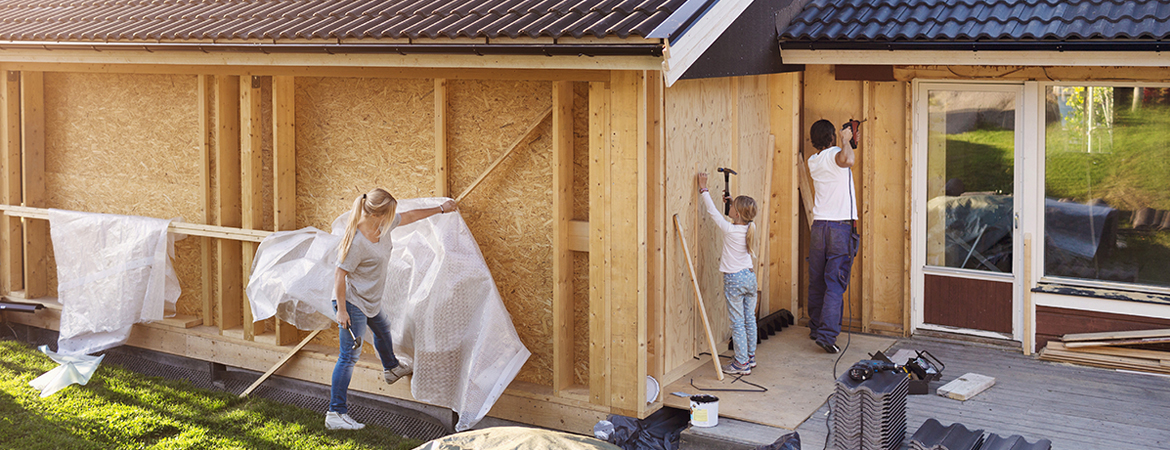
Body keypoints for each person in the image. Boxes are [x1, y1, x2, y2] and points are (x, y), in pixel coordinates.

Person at [326, 188, 458, 431]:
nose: (394, 216)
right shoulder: (356, 242)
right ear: (378, 214)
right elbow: (339, 275)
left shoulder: (382, 226)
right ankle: (336, 412)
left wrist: (441, 209)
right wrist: (342, 311)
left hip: (370, 300)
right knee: (348, 357)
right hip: (352, 302)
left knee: (383, 329)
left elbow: (409, 216)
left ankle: (391, 368)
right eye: (391, 213)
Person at [805, 120, 859, 354]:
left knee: (818, 281)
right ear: (831, 139)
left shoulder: (813, 161)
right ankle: (827, 336)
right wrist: (846, 140)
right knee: (835, 282)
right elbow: (848, 160)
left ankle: (817, 328)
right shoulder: (835, 154)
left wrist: (847, 142)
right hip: (839, 228)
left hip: (819, 228)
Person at [697, 172, 760, 375]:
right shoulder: (751, 227)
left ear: (737, 214)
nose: (729, 209)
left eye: (732, 208)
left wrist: (704, 188)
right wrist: (733, 202)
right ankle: (750, 358)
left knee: (737, 323)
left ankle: (741, 364)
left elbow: (714, 212)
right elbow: (740, 216)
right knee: (749, 319)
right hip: (750, 278)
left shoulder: (730, 230)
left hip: (734, 279)